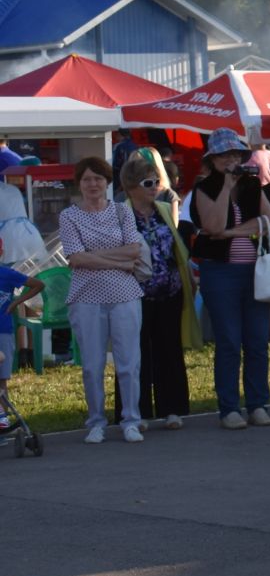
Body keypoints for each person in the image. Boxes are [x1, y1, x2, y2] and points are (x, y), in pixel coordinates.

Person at [60, 156, 148, 445]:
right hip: (86, 297)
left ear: (107, 181)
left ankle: (131, 420)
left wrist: (99, 259)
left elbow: (134, 250)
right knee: (92, 364)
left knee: (128, 362)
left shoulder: (122, 211)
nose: (93, 184)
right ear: (79, 184)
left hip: (125, 295)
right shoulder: (69, 216)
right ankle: (96, 422)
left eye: (98, 178)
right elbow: (75, 257)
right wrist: (118, 261)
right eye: (87, 179)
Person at [192, 127, 270, 430]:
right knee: (228, 340)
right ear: (213, 160)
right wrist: (226, 188)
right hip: (221, 273)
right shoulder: (204, 188)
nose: (231, 159)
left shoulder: (253, 185)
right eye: (224, 155)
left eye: (235, 154)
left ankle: (258, 404)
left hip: (254, 272)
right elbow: (213, 225)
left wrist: (232, 232)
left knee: (257, 341)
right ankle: (229, 408)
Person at [120, 150, 194, 431]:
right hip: (135, 294)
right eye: (147, 184)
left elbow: (175, 246)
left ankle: (172, 409)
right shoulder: (122, 214)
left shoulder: (163, 210)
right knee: (136, 351)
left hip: (169, 292)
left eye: (155, 182)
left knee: (169, 349)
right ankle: (135, 413)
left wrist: (186, 275)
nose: (154, 188)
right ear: (131, 187)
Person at [0, 238, 47, 433]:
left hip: (3, 330)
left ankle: (3, 418)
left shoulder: (7, 274)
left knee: (1, 378)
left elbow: (38, 284)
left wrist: (16, 302)